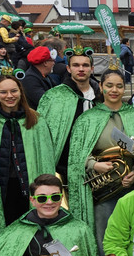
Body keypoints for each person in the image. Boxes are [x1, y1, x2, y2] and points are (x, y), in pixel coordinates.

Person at [68, 67, 134, 250]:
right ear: (100, 86)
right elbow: (76, 155)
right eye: (109, 85)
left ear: (125, 88)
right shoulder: (88, 119)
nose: (114, 90)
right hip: (103, 188)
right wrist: (93, 165)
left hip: (132, 185)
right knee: (104, 231)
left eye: (119, 86)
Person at [0, 73, 56, 228]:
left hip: (29, 187)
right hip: (1, 189)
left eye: (14, 91)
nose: (9, 96)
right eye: (3, 92)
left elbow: (46, 156)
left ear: (21, 92)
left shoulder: (36, 120)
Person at [38, 47, 102, 179]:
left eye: (85, 65)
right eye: (76, 65)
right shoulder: (55, 96)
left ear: (92, 69)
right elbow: (43, 133)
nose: (81, 69)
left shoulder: (100, 96)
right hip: (64, 166)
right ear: (68, 69)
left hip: (97, 165)